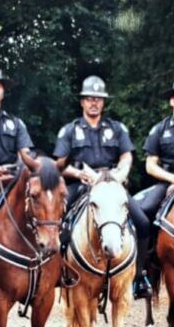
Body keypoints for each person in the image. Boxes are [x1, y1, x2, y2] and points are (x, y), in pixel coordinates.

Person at [53, 76, 152, 299]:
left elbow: (126, 156)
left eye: (98, 99)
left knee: (143, 222)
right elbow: (60, 163)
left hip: (111, 184)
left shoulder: (117, 128)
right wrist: (78, 173)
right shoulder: (70, 130)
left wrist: (120, 173)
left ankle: (139, 275)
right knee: (58, 222)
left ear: (103, 102)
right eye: (89, 99)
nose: (94, 103)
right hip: (82, 182)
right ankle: (60, 271)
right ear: (82, 102)